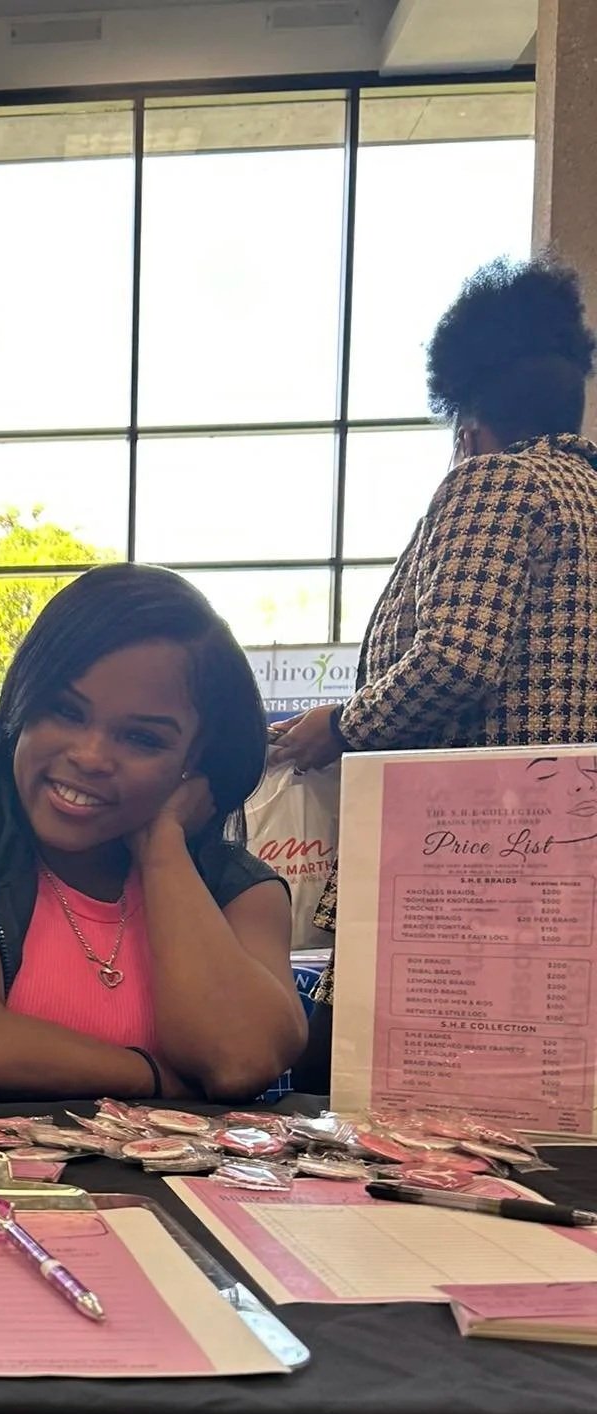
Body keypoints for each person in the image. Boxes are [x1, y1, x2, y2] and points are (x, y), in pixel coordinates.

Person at [269, 256, 597, 1072]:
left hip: (467, 859)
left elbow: (456, 657)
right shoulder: (585, 495)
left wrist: (341, 726)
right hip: (565, 858)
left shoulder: (494, 482)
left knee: (394, 1073)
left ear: (468, 425)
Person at [0, 565, 306, 1100]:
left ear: (197, 759)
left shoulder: (240, 888)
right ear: (23, 700)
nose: (90, 756)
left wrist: (164, 851)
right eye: (65, 712)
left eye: (142, 738)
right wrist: (159, 1080)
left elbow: (240, 1061)